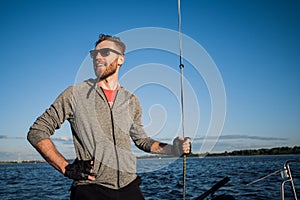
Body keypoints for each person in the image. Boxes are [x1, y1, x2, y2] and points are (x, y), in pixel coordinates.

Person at [27, 34, 191, 200]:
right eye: (94, 54)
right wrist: (65, 167)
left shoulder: (131, 100)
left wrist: (174, 149)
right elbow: (37, 132)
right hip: (91, 188)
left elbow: (142, 141)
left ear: (120, 59)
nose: (97, 57)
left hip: (129, 186)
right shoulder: (75, 94)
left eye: (105, 52)